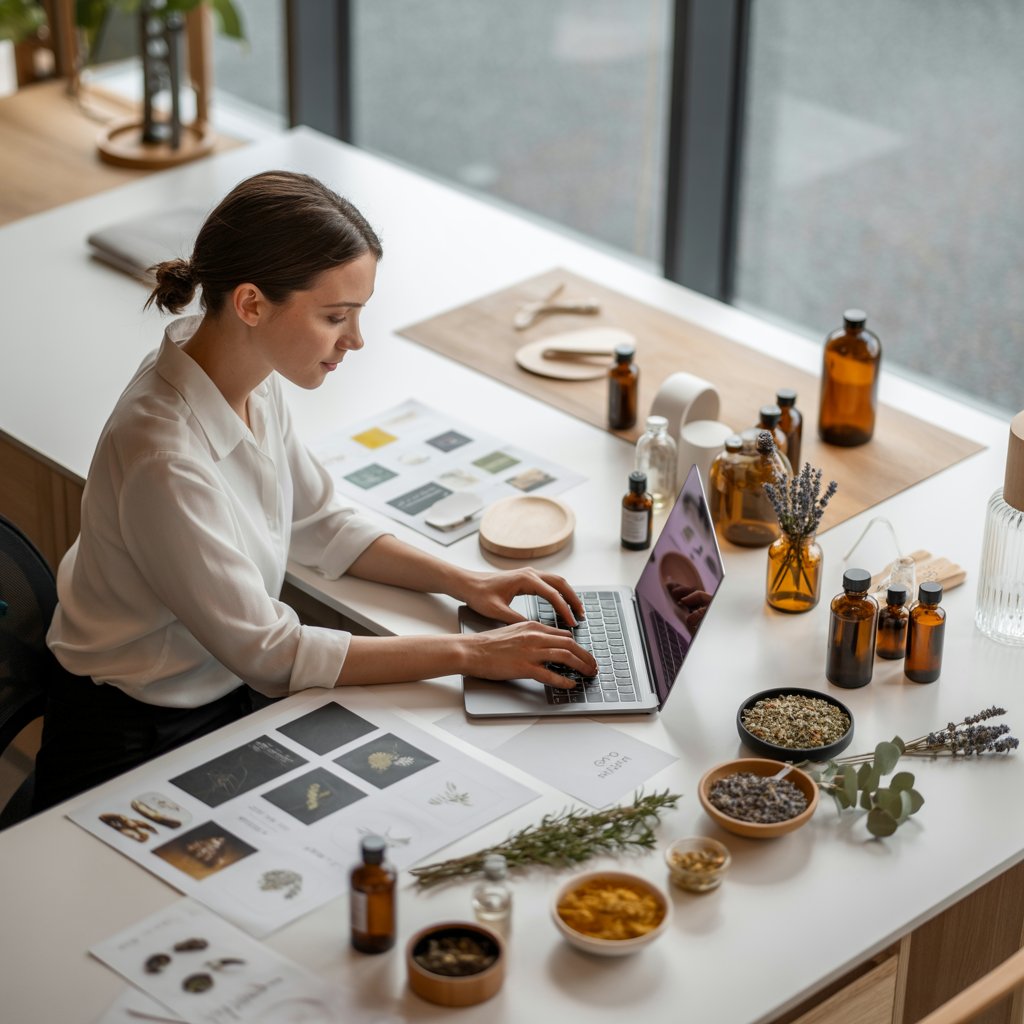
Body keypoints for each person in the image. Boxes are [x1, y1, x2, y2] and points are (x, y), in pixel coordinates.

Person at [35, 170, 596, 811]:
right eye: (336, 317)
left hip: (215, 689)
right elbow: (271, 654)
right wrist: (473, 651)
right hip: (132, 727)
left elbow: (319, 523)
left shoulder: (249, 372)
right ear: (251, 304)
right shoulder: (164, 455)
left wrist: (463, 581)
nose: (355, 340)